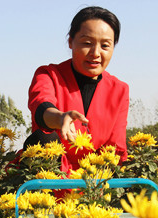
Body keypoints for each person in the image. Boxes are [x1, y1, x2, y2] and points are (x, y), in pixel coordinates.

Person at [23, 6, 129, 173]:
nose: (95, 53)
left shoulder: (120, 90)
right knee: (44, 138)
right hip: (49, 176)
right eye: (87, 43)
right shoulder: (48, 75)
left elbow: (116, 149)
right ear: (71, 41)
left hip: (94, 183)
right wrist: (60, 118)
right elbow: (41, 105)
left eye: (105, 46)